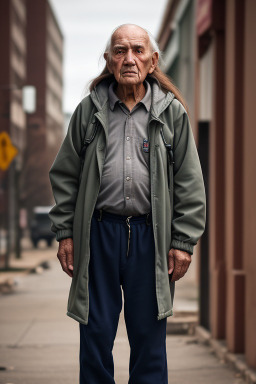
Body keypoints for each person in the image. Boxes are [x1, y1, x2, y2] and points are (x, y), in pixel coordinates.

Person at [48, 23, 206, 384]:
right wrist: (65, 234)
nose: (129, 58)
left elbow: (190, 183)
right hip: (98, 234)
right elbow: (64, 176)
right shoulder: (88, 111)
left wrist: (183, 242)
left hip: (152, 238)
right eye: (120, 51)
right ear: (108, 60)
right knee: (95, 333)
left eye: (137, 51)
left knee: (149, 338)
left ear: (152, 62)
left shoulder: (172, 114)